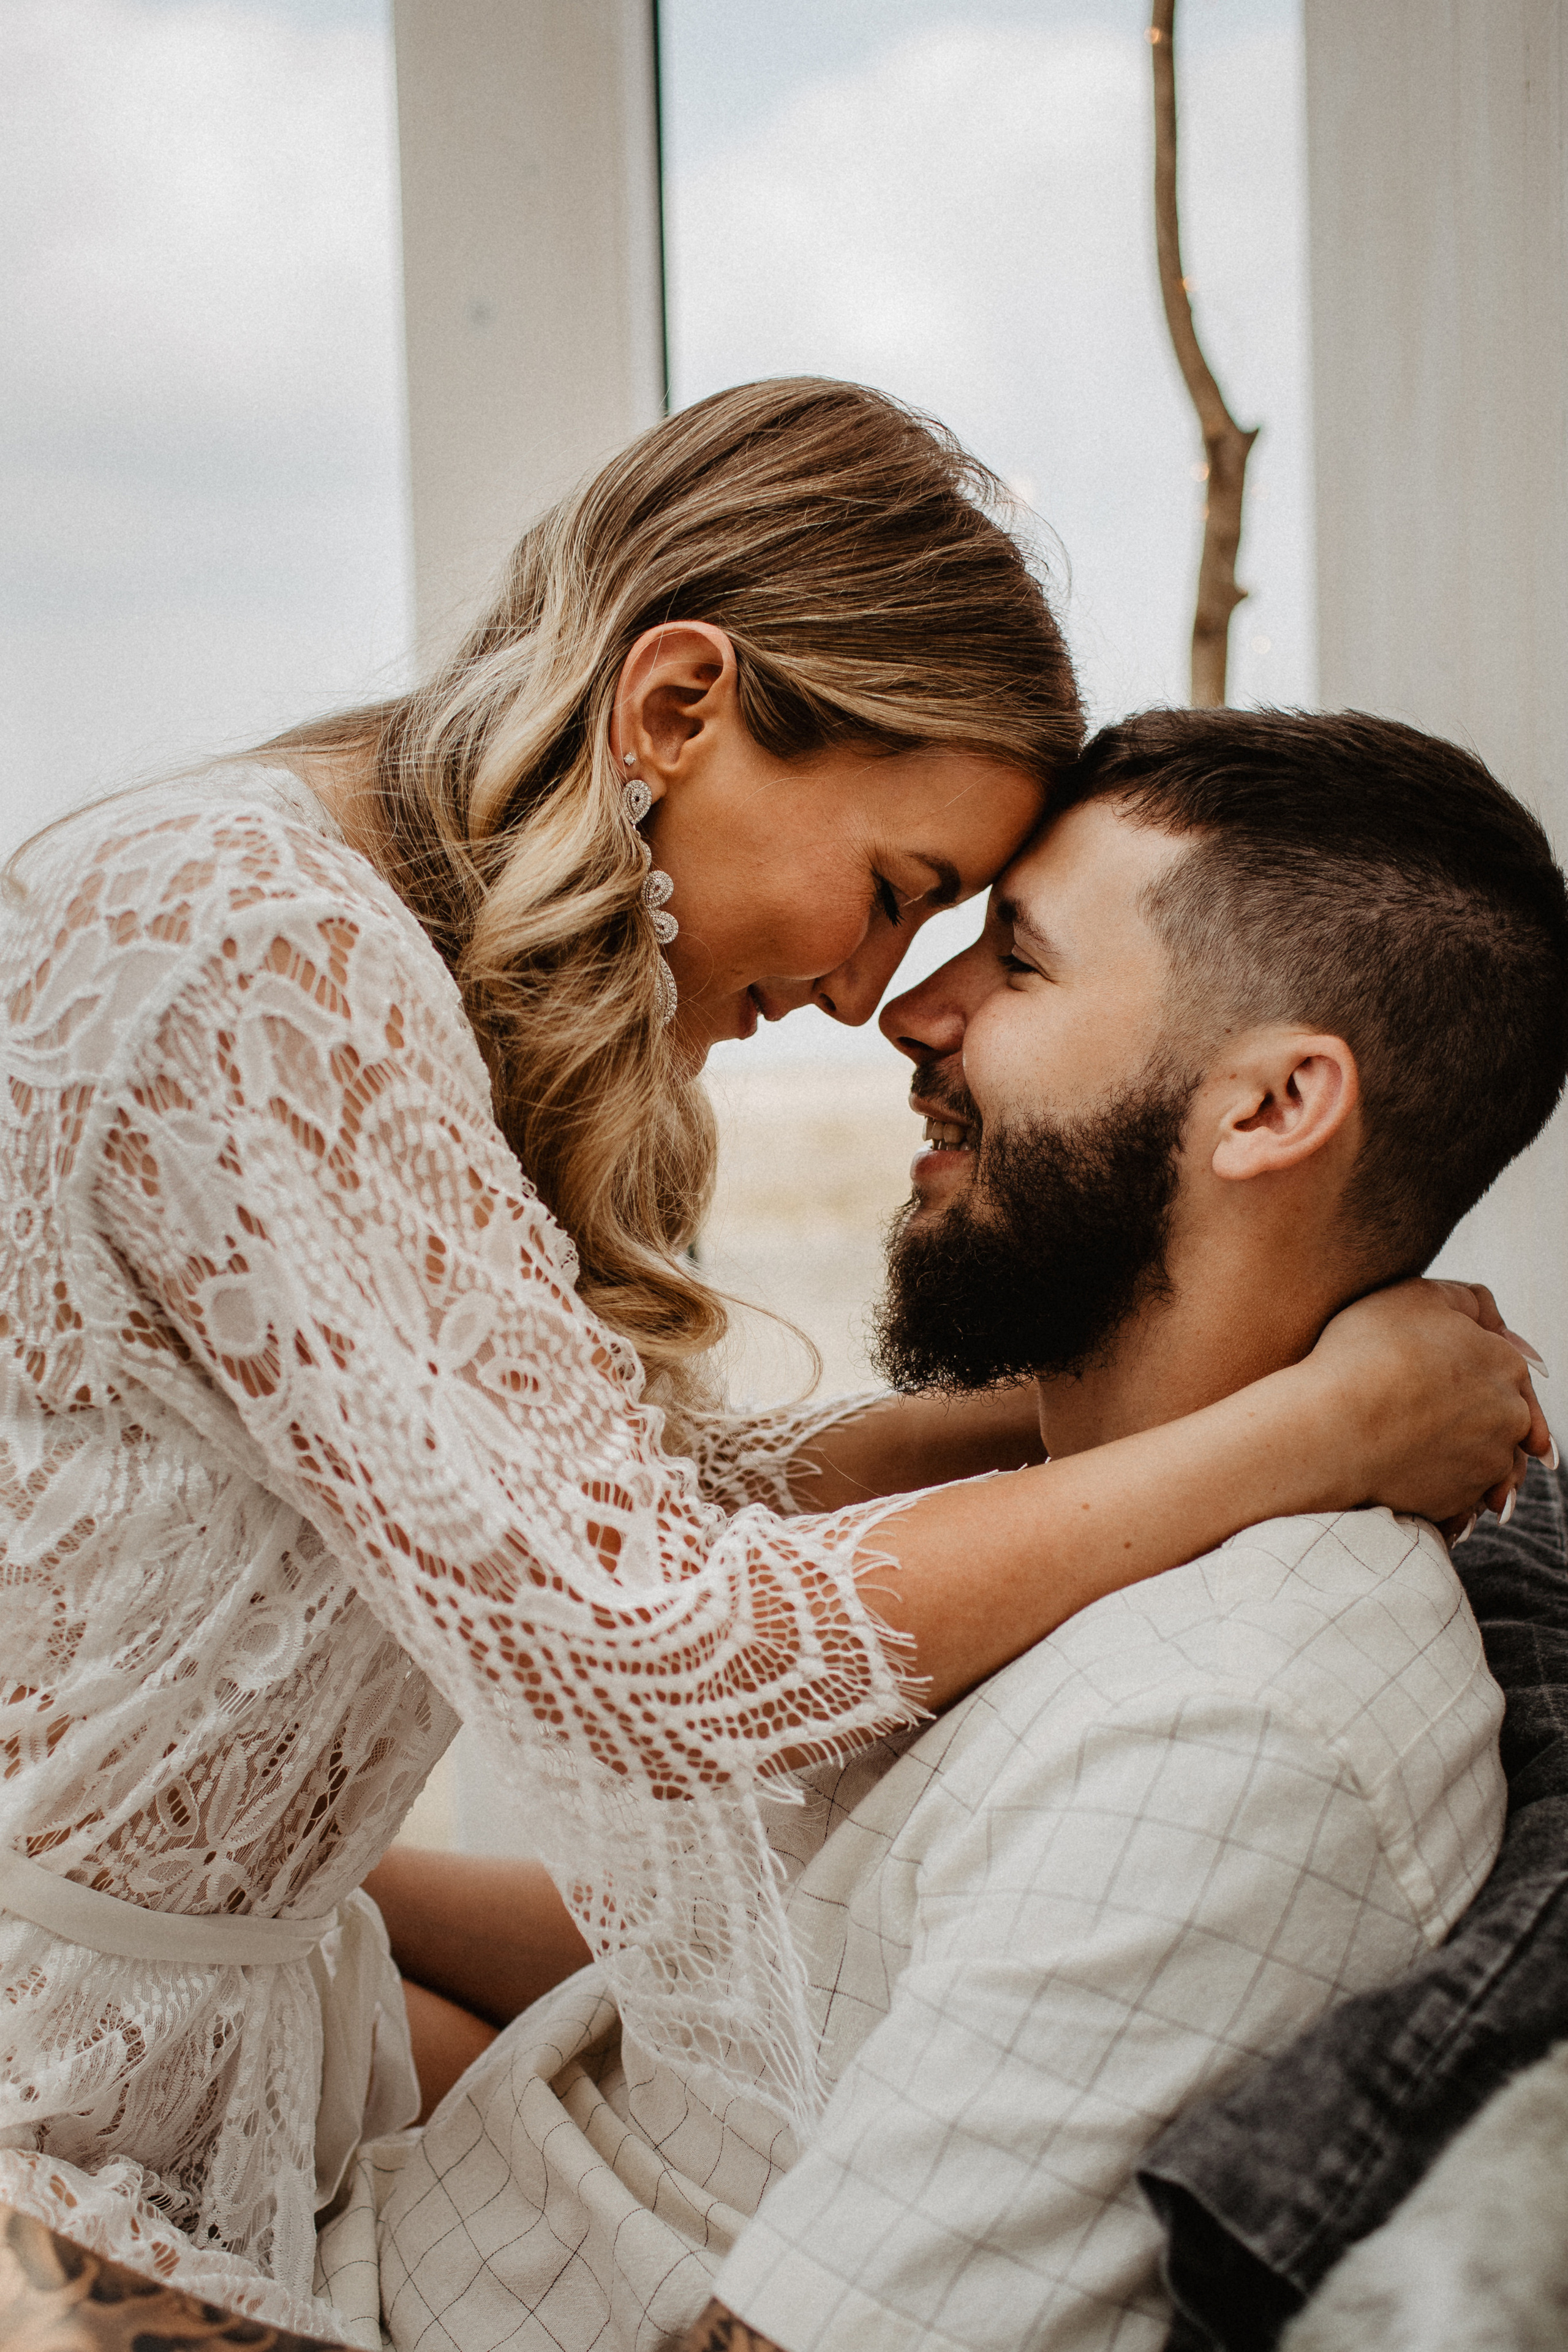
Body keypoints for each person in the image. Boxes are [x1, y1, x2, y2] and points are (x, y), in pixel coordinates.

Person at [0, 385, 1541, 2347]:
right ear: (675, 711)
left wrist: (1138, 1407)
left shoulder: (382, 944)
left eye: (983, 937)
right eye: (898, 888)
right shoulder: (255, 948)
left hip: (220, 2079)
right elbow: (662, 1642)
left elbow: (600, 1513)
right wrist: (1308, 1428)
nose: (875, 994)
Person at [306, 706, 1565, 2352]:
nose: (908, 1006)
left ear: (1270, 1108)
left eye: (1021, 965)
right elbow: (758, 1982)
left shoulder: (1239, 1732)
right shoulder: (1088, 1526)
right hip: (391, 2236)